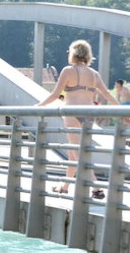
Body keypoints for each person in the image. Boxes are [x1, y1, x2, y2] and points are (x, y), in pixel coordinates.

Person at [37, 40, 122, 198]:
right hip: (88, 114)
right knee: (73, 152)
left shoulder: (68, 71)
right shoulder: (94, 74)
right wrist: (122, 110)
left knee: (77, 152)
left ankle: (96, 187)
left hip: (71, 112)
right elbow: (107, 95)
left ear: (73, 53)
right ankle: (64, 186)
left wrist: (38, 106)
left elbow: (55, 94)